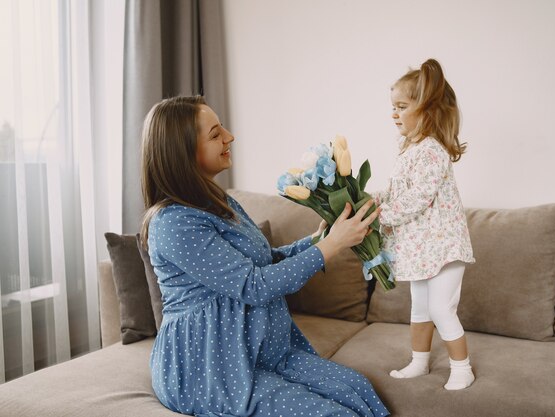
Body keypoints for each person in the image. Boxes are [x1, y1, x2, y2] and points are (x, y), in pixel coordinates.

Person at [139, 95, 390, 417]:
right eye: (215, 134)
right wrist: (330, 248)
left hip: (263, 352)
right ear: (181, 152)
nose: (229, 137)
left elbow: (263, 260)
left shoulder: (218, 200)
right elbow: (254, 285)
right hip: (210, 366)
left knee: (356, 388)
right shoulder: (174, 222)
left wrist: (318, 240)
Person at [373, 59, 476, 390]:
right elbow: (395, 190)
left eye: (401, 106)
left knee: (440, 307)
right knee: (419, 308)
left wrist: (380, 216)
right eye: (394, 107)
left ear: (427, 109)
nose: (394, 114)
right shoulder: (409, 151)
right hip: (423, 250)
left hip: (444, 247)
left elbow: (417, 199)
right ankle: (419, 362)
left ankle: (462, 367)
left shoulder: (432, 151)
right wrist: (371, 201)